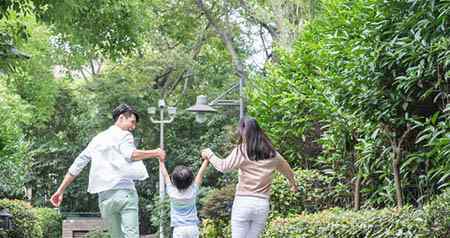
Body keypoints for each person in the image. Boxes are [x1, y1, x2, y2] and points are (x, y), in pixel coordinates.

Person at [50, 103, 166, 238]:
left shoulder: (97, 139)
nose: (133, 127)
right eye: (132, 122)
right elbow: (131, 154)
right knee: (131, 235)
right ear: (121, 118)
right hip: (125, 194)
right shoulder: (125, 135)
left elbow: (78, 164)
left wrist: (60, 190)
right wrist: (155, 152)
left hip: (105, 199)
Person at [201, 117, 298, 238]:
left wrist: (209, 153)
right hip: (262, 205)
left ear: (243, 132)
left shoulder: (242, 151)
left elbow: (223, 166)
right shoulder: (273, 154)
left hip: (243, 202)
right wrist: (293, 183)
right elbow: (287, 170)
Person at [159, 156, 209, 238]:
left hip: (178, 229)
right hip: (192, 227)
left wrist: (161, 161)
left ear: (174, 181)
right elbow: (200, 173)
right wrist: (206, 160)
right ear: (191, 180)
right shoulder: (193, 191)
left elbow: (165, 175)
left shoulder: (172, 193)